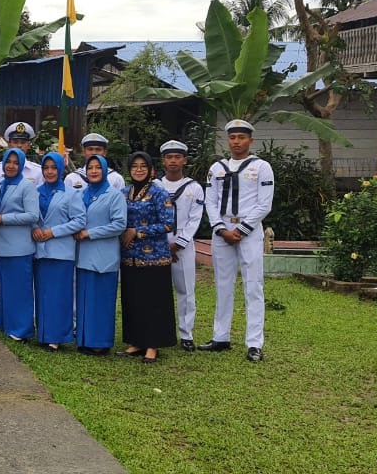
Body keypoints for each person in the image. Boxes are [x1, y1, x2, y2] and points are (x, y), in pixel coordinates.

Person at [201, 120, 274, 362]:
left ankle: (254, 344)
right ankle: (220, 337)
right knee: (223, 284)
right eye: (233, 137)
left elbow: (264, 204)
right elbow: (209, 201)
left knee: (253, 286)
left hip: (249, 230)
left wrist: (241, 230)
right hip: (222, 230)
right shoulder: (217, 168)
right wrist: (222, 229)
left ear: (250, 140)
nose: (236, 142)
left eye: (242, 137)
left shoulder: (261, 167)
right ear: (228, 140)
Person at [117, 152, 178, 363]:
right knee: (134, 300)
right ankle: (136, 341)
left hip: (155, 258)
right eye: (135, 166)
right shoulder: (124, 193)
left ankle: (152, 345)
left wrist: (137, 232)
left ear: (151, 169)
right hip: (129, 257)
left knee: (153, 302)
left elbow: (168, 224)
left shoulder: (159, 193)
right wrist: (124, 233)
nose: (139, 169)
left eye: (144, 165)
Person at [73, 155, 127, 356]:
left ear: (105, 171)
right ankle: (85, 339)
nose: (94, 171)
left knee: (101, 300)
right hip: (83, 255)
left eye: (98, 168)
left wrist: (90, 233)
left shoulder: (114, 195)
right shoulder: (81, 194)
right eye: (90, 168)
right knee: (85, 299)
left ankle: (100, 342)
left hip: (103, 256)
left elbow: (119, 224)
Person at [32, 152, 86, 351]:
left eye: (53, 168)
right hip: (40, 251)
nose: (49, 172)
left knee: (59, 295)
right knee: (42, 293)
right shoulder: (35, 191)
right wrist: (34, 229)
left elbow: (79, 221)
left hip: (61, 251)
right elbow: (31, 217)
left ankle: (56, 336)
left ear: (60, 170)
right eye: (45, 168)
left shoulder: (71, 193)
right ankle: (43, 332)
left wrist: (53, 232)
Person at [155, 140, 205, 351]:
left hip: (183, 247)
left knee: (185, 290)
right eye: (169, 157)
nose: (173, 161)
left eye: (177, 157)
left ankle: (186, 334)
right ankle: (158, 332)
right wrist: (163, 244)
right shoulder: (155, 186)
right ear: (163, 160)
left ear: (185, 160)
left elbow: (195, 219)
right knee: (157, 290)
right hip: (158, 245)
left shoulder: (194, 188)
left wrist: (178, 244)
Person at [0, 148, 41, 339]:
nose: (11, 166)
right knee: (5, 284)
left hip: (19, 246)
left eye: (15, 163)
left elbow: (33, 215)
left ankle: (22, 329)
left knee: (20, 288)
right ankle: (1, 319)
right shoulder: (2, 184)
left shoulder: (27, 186)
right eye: (8, 162)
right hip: (2, 245)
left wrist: (3, 219)